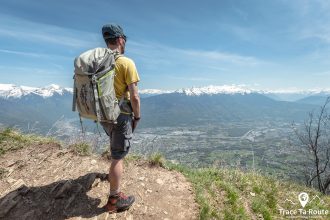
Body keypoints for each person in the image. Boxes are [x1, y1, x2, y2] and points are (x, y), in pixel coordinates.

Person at [101, 23, 141, 213]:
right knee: (118, 156)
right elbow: (134, 96)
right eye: (124, 38)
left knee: (114, 147)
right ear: (119, 40)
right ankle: (114, 200)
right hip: (121, 115)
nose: (125, 42)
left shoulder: (99, 62)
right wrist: (137, 117)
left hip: (103, 114)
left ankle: (112, 178)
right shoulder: (126, 63)